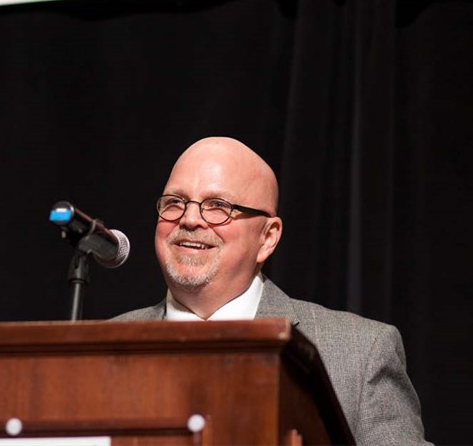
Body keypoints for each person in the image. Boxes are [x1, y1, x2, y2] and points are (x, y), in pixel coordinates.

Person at [113, 136, 429, 445]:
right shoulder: (100, 349)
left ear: (267, 237)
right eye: (175, 203)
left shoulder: (360, 355)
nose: (190, 219)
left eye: (217, 206)